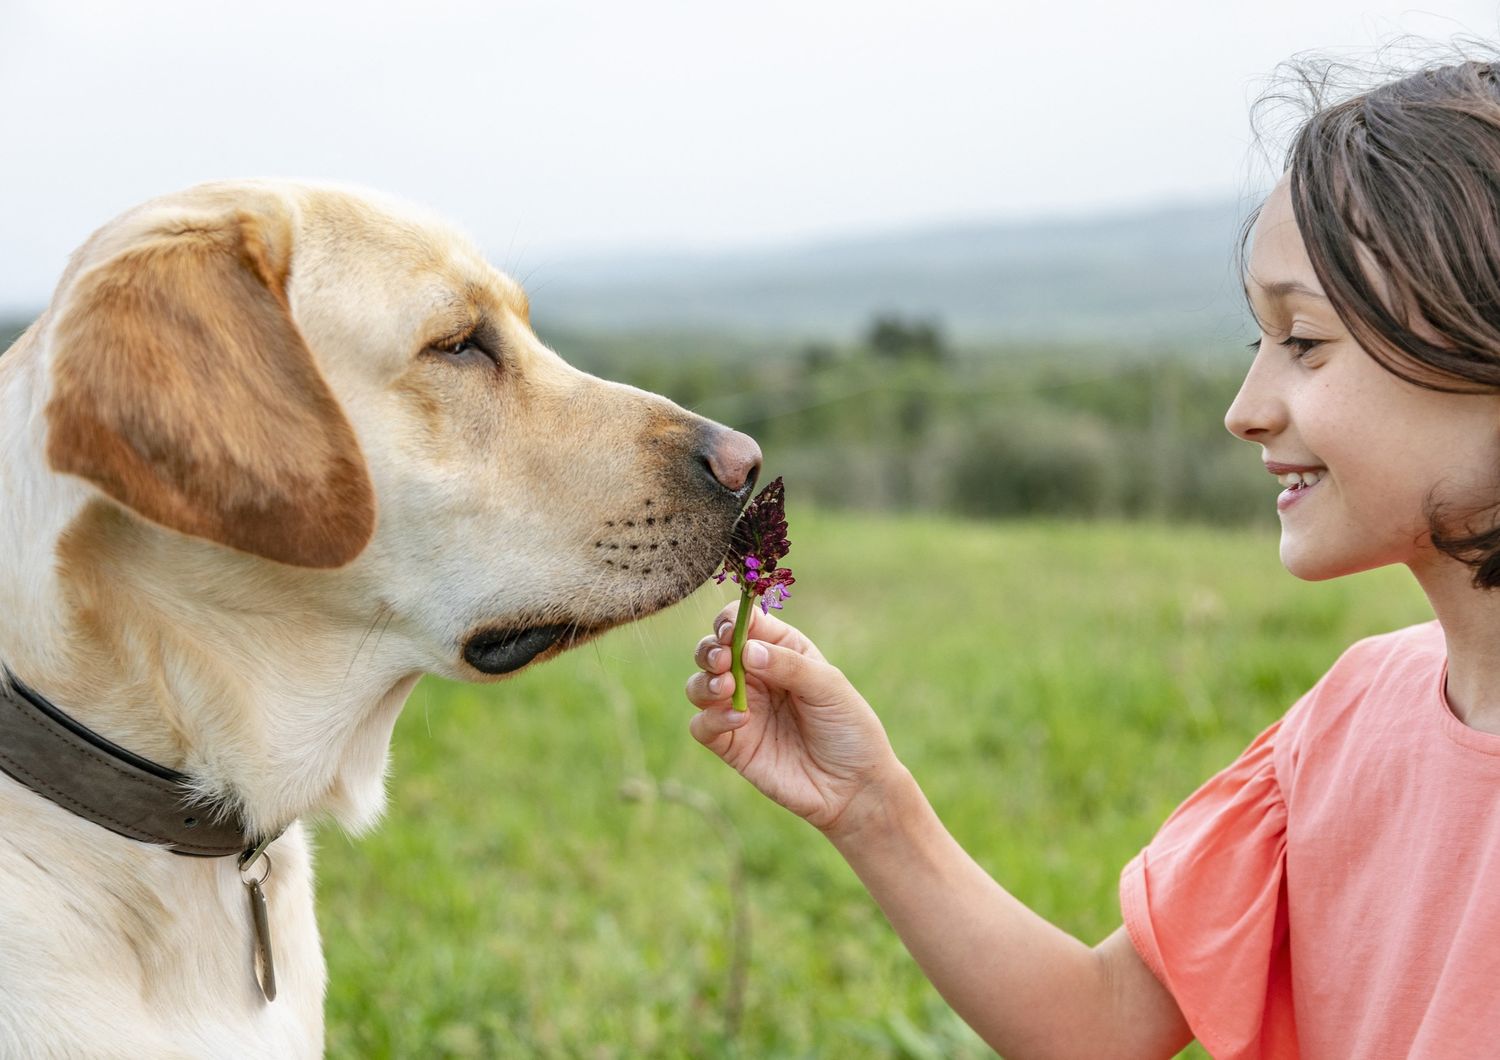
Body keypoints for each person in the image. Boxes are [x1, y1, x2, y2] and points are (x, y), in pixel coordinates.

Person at [684, 55, 1500, 1059]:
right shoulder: (1345, 722)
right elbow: (1103, 1020)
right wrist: (870, 807)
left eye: (1305, 340)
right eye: (1258, 338)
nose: (1245, 412)